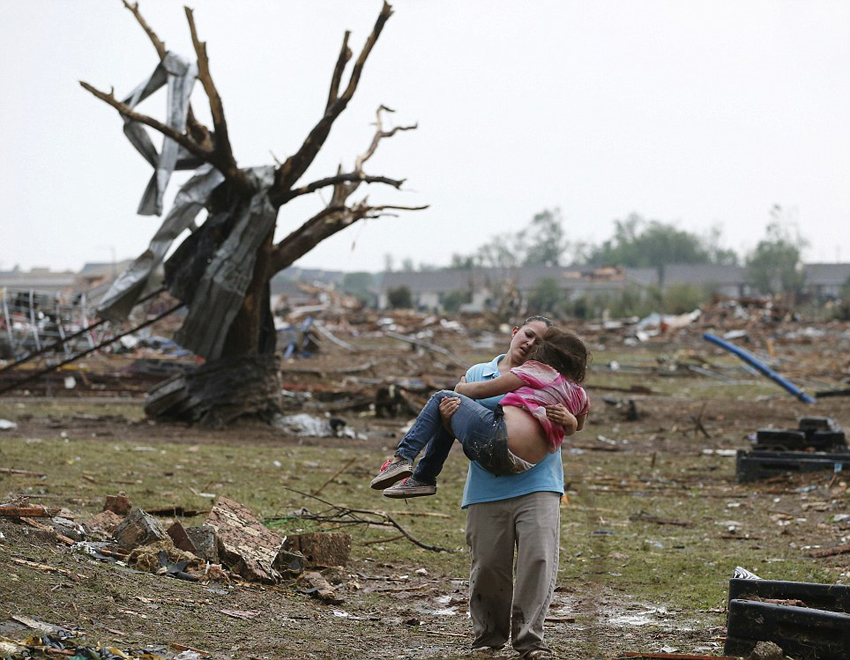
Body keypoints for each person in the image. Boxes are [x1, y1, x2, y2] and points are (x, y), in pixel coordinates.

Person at [387, 316, 582, 659]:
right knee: (489, 566)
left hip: (539, 485)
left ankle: (530, 641)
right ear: (514, 333)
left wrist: (572, 422)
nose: (530, 343)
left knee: (538, 560)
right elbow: (459, 420)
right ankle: (489, 639)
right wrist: (448, 416)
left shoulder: (556, 379)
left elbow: (579, 416)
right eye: (527, 334)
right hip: (486, 487)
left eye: (540, 340)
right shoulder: (479, 373)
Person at [369, 325, 589, 495]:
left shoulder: (536, 370)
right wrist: (570, 420)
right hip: (522, 464)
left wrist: (460, 387)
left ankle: (403, 459)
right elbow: (579, 425)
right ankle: (423, 478)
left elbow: (482, 390)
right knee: (450, 408)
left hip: (499, 440)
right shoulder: (579, 393)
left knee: (442, 398)